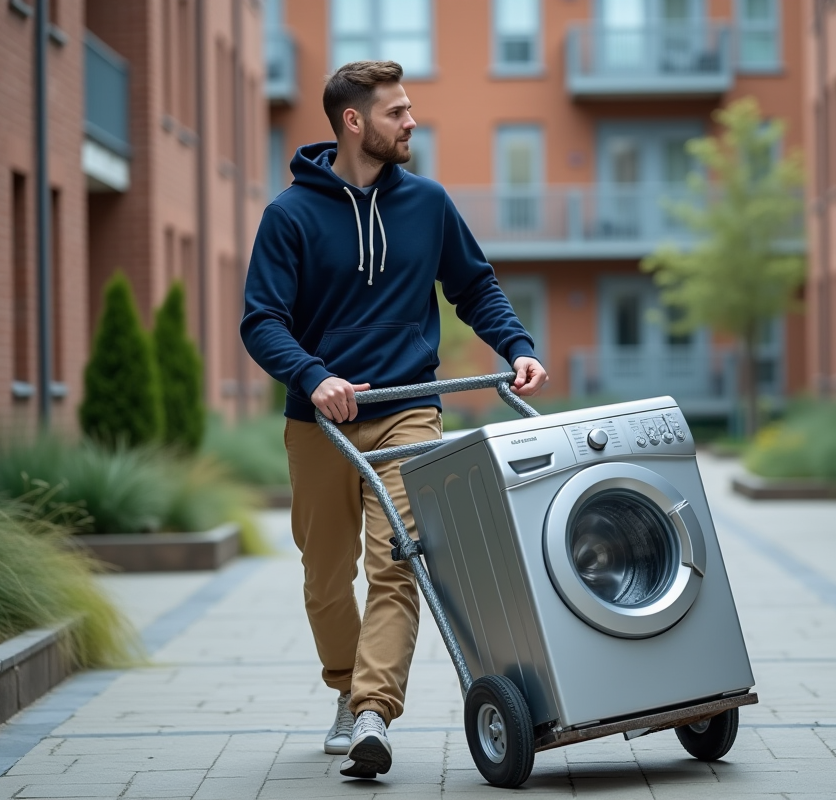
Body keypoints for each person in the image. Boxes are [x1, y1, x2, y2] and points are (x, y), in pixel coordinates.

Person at [240, 60, 547, 780]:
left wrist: (518, 346)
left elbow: (474, 286)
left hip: (407, 409)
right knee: (325, 576)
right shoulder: (290, 216)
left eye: (409, 110)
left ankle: (373, 711)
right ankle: (346, 688)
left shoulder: (428, 204)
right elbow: (262, 320)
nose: (411, 122)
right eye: (397, 112)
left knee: (399, 559)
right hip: (320, 421)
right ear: (354, 122)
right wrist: (314, 377)